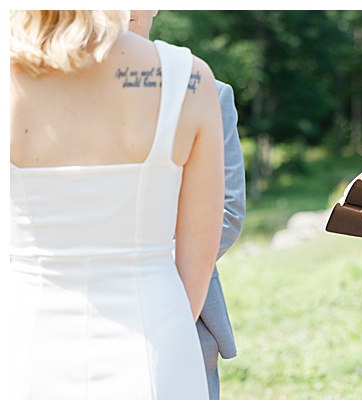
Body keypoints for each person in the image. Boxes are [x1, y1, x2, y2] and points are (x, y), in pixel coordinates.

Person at [9, 10, 225, 399]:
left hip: (24, 340)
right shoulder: (187, 78)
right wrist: (169, 327)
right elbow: (198, 260)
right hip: (156, 342)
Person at [129, 10, 246, 400]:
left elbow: (228, 213)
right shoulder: (54, 91)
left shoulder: (209, 91)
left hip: (186, 310)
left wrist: (166, 294)